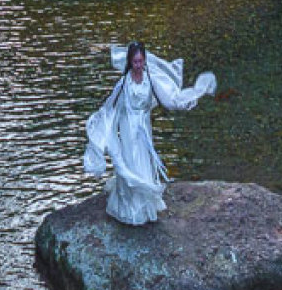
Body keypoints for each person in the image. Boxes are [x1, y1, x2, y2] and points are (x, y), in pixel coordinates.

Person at [82, 41, 216, 225]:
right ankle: (130, 206)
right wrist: (101, 128)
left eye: (141, 61)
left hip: (143, 127)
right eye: (135, 62)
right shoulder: (123, 83)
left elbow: (168, 100)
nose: (138, 65)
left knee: (144, 160)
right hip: (128, 127)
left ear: (144, 61)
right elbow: (111, 107)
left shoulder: (151, 79)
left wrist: (191, 96)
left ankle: (145, 205)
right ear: (130, 61)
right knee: (131, 159)